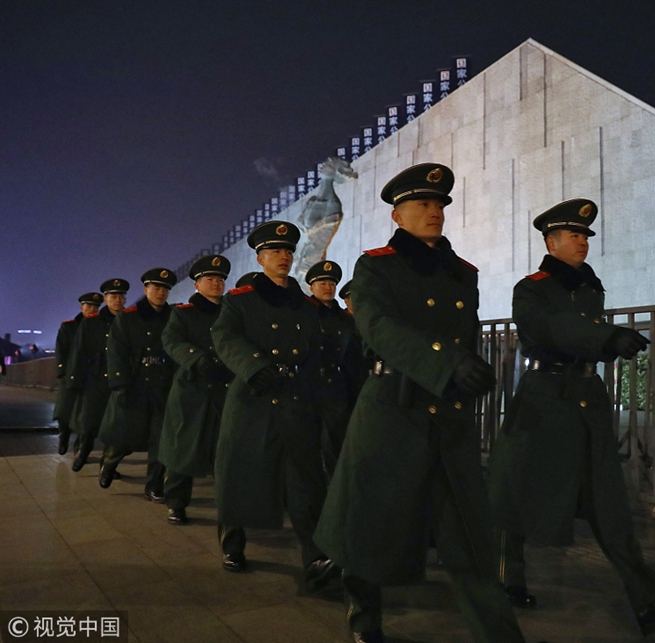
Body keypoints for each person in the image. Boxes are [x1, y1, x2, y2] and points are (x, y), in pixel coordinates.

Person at [314, 163, 545, 643]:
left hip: (448, 417)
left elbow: (464, 335)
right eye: (422, 203)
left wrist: (470, 371)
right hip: (392, 409)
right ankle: (364, 614)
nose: (434, 211)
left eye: (439, 204)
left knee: (470, 536)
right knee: (372, 523)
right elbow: (378, 328)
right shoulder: (376, 266)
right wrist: (447, 362)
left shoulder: (462, 273)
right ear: (397, 216)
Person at [488, 198, 655, 637]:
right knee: (514, 492)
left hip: (586, 399)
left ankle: (649, 599)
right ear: (551, 242)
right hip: (544, 400)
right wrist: (606, 336)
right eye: (573, 235)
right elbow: (548, 328)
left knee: (609, 502)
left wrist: (604, 343)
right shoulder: (531, 288)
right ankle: (505, 579)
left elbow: (581, 337)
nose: (582, 242)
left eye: (585, 235)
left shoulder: (590, 287)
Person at [211, 221, 338, 591]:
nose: (283, 257)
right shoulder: (240, 299)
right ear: (260, 258)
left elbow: (316, 349)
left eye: (287, 251)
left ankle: (315, 557)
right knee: (239, 476)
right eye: (274, 251)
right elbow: (224, 337)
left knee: (305, 482)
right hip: (253, 401)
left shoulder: (305, 304)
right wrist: (256, 367)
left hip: (296, 400)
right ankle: (232, 545)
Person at [158, 255, 234, 525]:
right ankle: (176, 502)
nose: (216, 283)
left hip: (225, 387)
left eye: (220, 279)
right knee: (183, 449)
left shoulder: (232, 311)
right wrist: (196, 358)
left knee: (225, 450)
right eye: (210, 279)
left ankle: (230, 505)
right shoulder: (183, 313)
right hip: (192, 389)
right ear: (197, 285)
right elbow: (171, 340)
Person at [97, 268, 177, 500]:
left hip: (162, 385)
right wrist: (120, 384)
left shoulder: (173, 316)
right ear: (146, 289)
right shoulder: (128, 317)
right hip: (135, 384)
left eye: (165, 289)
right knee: (125, 435)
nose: (161, 293)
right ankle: (109, 464)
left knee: (160, 438)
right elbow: (116, 351)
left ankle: (153, 485)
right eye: (156, 287)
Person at [304, 261, 365, 478]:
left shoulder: (345, 319)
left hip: (340, 388)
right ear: (311, 287)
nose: (327, 287)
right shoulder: (305, 314)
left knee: (338, 442)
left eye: (331, 283)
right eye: (322, 283)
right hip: (310, 387)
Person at [68, 279, 129, 472]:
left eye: (121, 296)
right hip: (94, 378)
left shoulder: (129, 321)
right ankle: (83, 451)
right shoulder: (91, 322)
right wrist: (74, 380)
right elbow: (79, 352)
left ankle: (108, 464)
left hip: (119, 379)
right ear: (105, 299)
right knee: (89, 420)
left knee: (115, 424)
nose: (117, 300)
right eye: (113, 296)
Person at [54, 292, 102, 455]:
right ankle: (64, 436)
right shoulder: (69, 327)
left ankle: (81, 447)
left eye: (96, 307)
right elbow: (61, 351)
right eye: (89, 306)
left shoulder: (100, 326)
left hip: (91, 376)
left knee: (87, 414)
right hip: (70, 374)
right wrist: (63, 372)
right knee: (64, 410)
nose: (92, 309)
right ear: (82, 307)